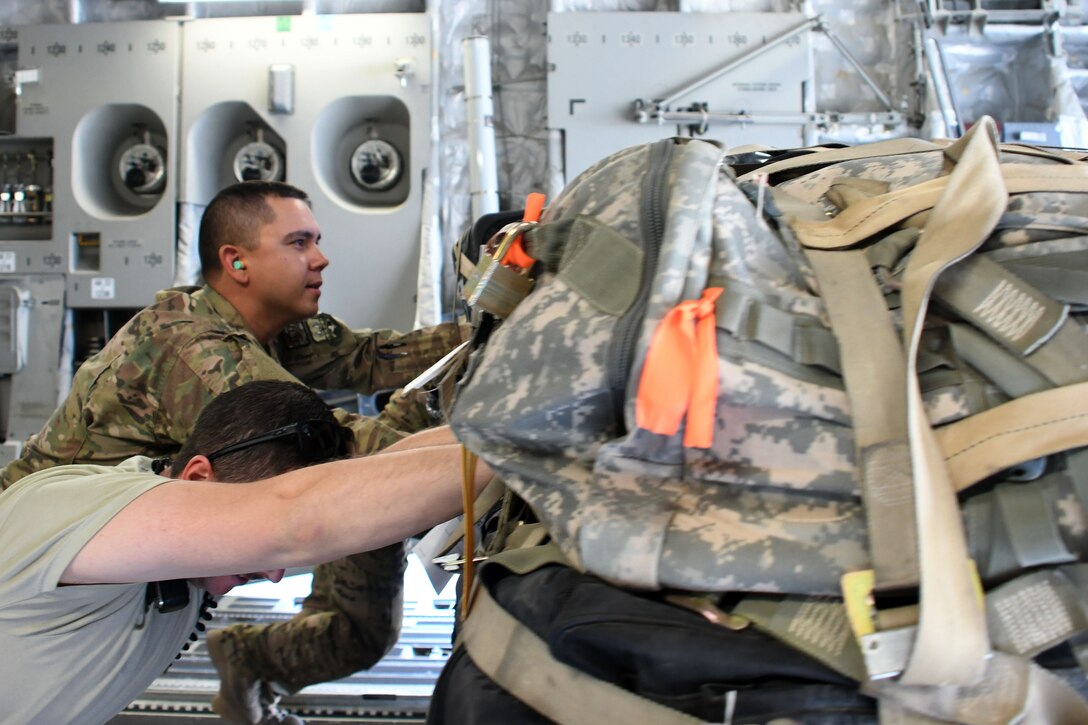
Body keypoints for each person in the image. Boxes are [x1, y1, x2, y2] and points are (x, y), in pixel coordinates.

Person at [0, 181, 466, 724]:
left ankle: (256, 660)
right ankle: (256, 659)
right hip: (48, 565)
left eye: (315, 240)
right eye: (298, 243)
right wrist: (489, 439)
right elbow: (342, 453)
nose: (320, 258)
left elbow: (370, 357)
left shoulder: (274, 325)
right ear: (237, 261)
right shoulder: (199, 354)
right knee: (354, 581)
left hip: (140, 540)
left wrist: (482, 333)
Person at [0, 380, 490, 725]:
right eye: (251, 538)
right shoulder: (67, 506)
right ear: (196, 478)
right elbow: (293, 517)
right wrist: (526, 453)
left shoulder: (178, 554)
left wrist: (523, 423)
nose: (276, 575)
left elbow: (380, 471)